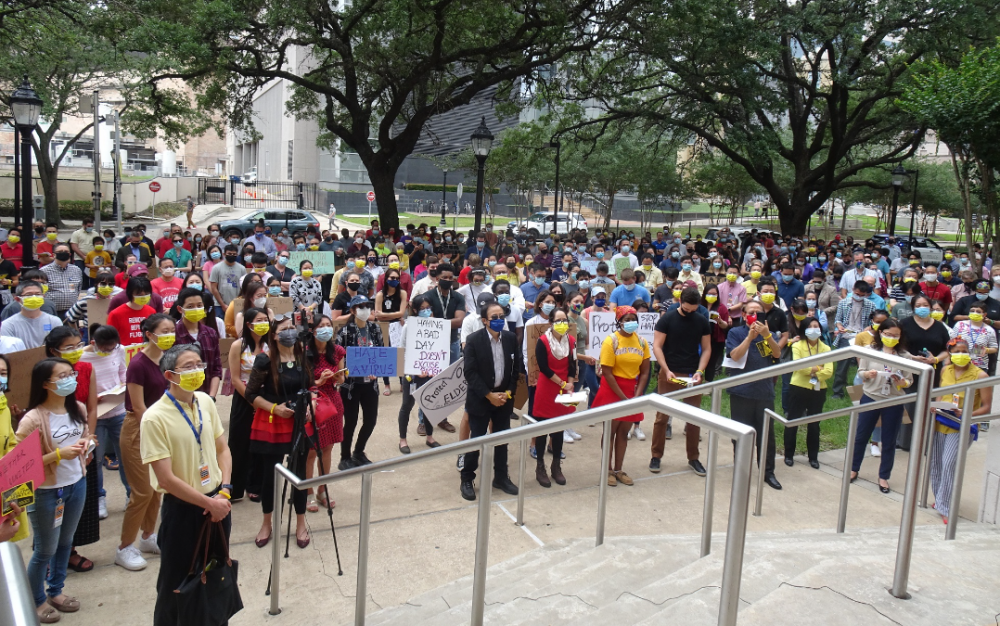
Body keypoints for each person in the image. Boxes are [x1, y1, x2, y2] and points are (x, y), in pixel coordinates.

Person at [140, 344, 232, 624]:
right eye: (187, 367)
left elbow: (222, 449)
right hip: (184, 510)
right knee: (176, 581)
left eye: (198, 364)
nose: (196, 371)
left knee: (216, 573)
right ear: (169, 374)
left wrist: (225, 490)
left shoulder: (205, 401)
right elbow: (166, 478)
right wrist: (209, 503)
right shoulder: (154, 418)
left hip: (219, 502)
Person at [17, 357, 92, 624]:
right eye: (62, 376)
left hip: (76, 485)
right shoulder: (33, 419)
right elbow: (20, 463)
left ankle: (56, 592)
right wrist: (57, 455)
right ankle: (35, 600)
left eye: (70, 374)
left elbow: (85, 437)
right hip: (47, 492)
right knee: (45, 550)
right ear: (45, 384)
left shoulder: (78, 408)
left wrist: (87, 446)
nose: (70, 379)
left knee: (65, 543)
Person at [244, 315, 311, 548]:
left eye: (293, 328)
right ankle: (267, 522)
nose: (290, 332)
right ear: (274, 335)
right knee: (270, 475)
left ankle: (301, 523)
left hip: (299, 422)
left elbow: (308, 387)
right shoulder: (265, 360)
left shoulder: (303, 356)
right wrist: (274, 408)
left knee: (300, 474)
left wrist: (310, 405)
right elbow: (250, 394)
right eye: (284, 329)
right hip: (273, 421)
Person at [116, 314, 172, 572]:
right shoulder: (138, 363)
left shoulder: (169, 359)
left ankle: (148, 535)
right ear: (149, 334)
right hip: (139, 429)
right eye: (164, 330)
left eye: (172, 329)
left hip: (162, 427)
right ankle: (125, 546)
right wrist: (156, 431)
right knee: (141, 492)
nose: (170, 334)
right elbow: (138, 407)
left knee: (158, 487)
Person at [460, 301, 522, 501]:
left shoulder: (511, 338)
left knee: (501, 439)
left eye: (501, 317)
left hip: (504, 399)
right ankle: (467, 478)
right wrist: (489, 395)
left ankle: (501, 477)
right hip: (481, 398)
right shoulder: (473, 340)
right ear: (484, 320)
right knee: (477, 439)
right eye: (494, 317)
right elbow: (470, 373)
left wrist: (508, 393)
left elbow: (516, 369)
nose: (498, 320)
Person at [930, 338, 992, 524]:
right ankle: (940, 499)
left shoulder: (980, 376)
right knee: (936, 463)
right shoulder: (945, 370)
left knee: (949, 463)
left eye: (965, 350)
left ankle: (946, 506)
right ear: (949, 353)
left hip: (961, 426)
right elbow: (941, 394)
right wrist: (935, 406)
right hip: (941, 421)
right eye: (957, 351)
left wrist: (966, 413)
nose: (961, 354)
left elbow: (986, 407)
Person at [650, 287, 710, 475]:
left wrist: (700, 371)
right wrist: (666, 370)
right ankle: (656, 456)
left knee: (694, 418)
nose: (690, 313)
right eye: (686, 310)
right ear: (679, 302)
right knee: (662, 417)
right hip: (670, 372)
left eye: (694, 310)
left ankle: (693, 458)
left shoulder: (701, 320)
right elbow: (657, 346)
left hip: (692, 373)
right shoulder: (667, 318)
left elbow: (707, 349)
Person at [725, 299, 783, 489]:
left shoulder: (769, 334)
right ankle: (742, 471)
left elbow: (776, 355)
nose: (755, 315)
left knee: (767, 435)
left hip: (764, 393)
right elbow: (735, 355)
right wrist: (749, 338)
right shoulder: (736, 332)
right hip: (741, 393)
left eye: (759, 313)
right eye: (751, 312)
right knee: (741, 434)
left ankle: (768, 472)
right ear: (743, 315)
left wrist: (767, 336)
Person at [850, 318, 912, 494]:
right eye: (887, 334)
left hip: (893, 401)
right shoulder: (870, 351)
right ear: (881, 333)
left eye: (895, 335)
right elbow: (860, 372)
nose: (891, 338)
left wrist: (902, 382)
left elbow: (909, 380)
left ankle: (884, 476)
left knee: (889, 440)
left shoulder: (904, 356)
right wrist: (867, 374)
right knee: (861, 435)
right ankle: (854, 468)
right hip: (870, 397)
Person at [592, 305, 651, 487]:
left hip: (631, 391)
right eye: (627, 320)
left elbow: (644, 371)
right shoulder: (611, 341)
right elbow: (607, 372)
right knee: (610, 431)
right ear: (619, 322)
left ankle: (619, 469)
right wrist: (623, 398)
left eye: (634, 319)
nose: (631, 323)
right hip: (612, 389)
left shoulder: (642, 342)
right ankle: (607, 469)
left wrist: (636, 394)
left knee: (624, 433)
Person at [80, 325, 130, 518]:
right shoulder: (82, 358)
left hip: (118, 411)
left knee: (125, 455)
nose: (110, 351)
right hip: (96, 416)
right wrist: (92, 397)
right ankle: (99, 498)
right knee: (96, 459)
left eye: (113, 348)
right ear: (93, 343)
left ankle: (130, 493)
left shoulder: (119, 350)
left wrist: (123, 386)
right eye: (105, 349)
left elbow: (122, 372)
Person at [226, 307, 270, 503]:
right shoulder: (238, 346)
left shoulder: (271, 346)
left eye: (265, 320)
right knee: (240, 442)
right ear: (249, 324)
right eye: (259, 320)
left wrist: (264, 401)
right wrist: (252, 400)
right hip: (244, 399)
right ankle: (234, 487)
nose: (263, 323)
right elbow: (235, 379)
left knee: (263, 443)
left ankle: (256, 485)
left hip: (267, 399)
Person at [336, 296, 384, 469]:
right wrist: (351, 370)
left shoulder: (375, 329)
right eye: (360, 306)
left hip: (371, 385)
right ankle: (345, 456)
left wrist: (377, 370)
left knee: (371, 420)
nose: (365, 309)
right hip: (351, 386)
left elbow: (381, 353)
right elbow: (338, 357)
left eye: (367, 306)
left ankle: (359, 451)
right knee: (350, 422)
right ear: (353, 310)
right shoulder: (345, 332)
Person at [532, 305, 576, 487]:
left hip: (565, 388)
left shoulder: (571, 341)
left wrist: (571, 383)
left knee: (558, 429)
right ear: (550, 323)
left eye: (564, 320)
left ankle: (556, 466)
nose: (561, 323)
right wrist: (562, 383)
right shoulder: (543, 341)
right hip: (547, 387)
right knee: (542, 430)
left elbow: (572, 364)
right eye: (557, 321)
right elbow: (543, 367)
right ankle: (540, 467)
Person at [305, 315, 346, 510]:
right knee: (312, 449)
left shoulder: (337, 351)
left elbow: (342, 379)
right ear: (312, 330)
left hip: (333, 402)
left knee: (328, 448)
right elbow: (301, 383)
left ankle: (323, 489)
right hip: (312, 403)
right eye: (321, 326)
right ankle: (307, 491)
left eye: (329, 326)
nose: (326, 329)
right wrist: (318, 381)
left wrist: (338, 377)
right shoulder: (304, 353)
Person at [784, 317, 833, 468]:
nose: (814, 329)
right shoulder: (797, 345)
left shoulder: (826, 348)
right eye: (810, 326)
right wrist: (819, 367)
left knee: (814, 424)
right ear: (805, 329)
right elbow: (800, 367)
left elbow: (829, 371)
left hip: (818, 389)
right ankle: (789, 455)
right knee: (793, 421)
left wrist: (812, 370)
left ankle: (813, 457)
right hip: (798, 387)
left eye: (816, 326)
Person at [397, 296, 443, 454]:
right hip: (413, 375)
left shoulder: (437, 325)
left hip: (430, 373)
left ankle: (430, 437)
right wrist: (412, 370)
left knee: (429, 405)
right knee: (407, 406)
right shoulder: (408, 326)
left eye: (428, 307)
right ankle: (403, 440)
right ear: (415, 310)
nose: (427, 311)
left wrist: (435, 366)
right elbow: (401, 350)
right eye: (423, 308)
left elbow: (439, 350)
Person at [831, 280, 878, 399]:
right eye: (857, 294)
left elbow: (873, 322)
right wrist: (839, 326)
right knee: (842, 366)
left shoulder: (870, 305)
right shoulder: (844, 303)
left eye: (863, 295)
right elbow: (838, 319)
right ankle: (838, 391)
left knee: (864, 365)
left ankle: (865, 390)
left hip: (862, 336)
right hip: (846, 336)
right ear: (853, 290)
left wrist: (868, 328)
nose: (859, 297)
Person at [1, 281, 64, 349]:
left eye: (37, 294)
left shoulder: (54, 321)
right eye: (29, 295)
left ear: (43, 297)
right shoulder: (7, 325)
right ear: (17, 299)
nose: (34, 297)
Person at [107, 277, 156, 346]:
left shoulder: (151, 311)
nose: (143, 296)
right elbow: (109, 338)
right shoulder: (116, 314)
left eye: (146, 293)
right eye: (139, 294)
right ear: (130, 293)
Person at [949, 301, 998, 370]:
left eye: (978, 311)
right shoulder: (959, 325)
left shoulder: (989, 330)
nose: (974, 313)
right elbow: (950, 343)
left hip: (979, 366)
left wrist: (986, 350)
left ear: (984, 314)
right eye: (972, 311)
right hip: (959, 362)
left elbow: (994, 348)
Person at [209, 244, 247, 316]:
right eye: (229, 253)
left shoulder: (242, 268)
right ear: (224, 254)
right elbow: (214, 288)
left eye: (234, 254)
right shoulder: (216, 268)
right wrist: (223, 305)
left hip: (236, 304)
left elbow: (244, 288)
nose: (232, 255)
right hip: (219, 305)